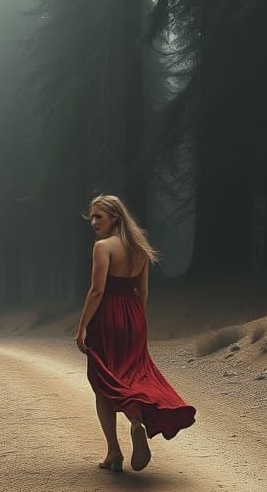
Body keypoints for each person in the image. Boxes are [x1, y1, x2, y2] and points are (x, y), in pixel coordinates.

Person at [75, 194, 196, 472]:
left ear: (114, 217)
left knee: (105, 381)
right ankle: (135, 423)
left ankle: (113, 453)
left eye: (98, 217)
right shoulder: (140, 247)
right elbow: (143, 292)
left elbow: (97, 291)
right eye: (91, 217)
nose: (93, 222)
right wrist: (135, 321)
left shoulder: (103, 247)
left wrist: (82, 326)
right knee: (132, 375)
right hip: (135, 317)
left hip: (107, 318)